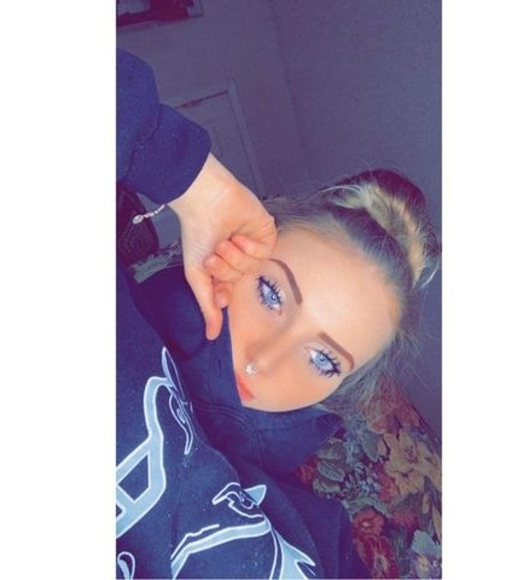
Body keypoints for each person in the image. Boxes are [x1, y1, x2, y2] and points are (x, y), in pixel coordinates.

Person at [116, 48, 439, 579]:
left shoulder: (322, 539)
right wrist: (196, 184)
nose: (263, 361)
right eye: (271, 294)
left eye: (323, 359)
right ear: (232, 250)